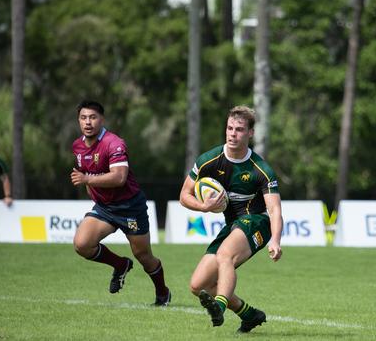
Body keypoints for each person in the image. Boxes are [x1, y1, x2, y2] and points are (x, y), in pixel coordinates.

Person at [179, 106, 283, 333]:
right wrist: (204, 207)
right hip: (232, 226)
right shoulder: (209, 160)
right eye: (229, 128)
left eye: (239, 129)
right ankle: (250, 315)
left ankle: (220, 306)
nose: (232, 134)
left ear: (250, 133)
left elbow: (274, 210)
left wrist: (275, 240)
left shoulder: (260, 169)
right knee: (199, 285)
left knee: (225, 255)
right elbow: (184, 195)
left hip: (257, 222)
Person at [70, 100, 171, 306]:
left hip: (130, 207)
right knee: (82, 245)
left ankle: (162, 293)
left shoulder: (114, 143)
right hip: (105, 208)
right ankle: (121, 264)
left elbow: (119, 177)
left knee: (143, 256)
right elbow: (85, 174)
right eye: (83, 118)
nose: (88, 122)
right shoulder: (77, 146)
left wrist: (88, 180)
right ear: (79, 120)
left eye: (93, 117)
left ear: (102, 119)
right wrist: (92, 191)